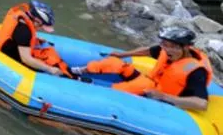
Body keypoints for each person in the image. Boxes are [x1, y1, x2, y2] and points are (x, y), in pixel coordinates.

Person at [72, 27, 212, 111]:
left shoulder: (196, 71)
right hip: (151, 81)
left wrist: (164, 97)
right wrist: (122, 55)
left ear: (186, 47)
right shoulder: (165, 50)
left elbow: (201, 104)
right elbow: (147, 51)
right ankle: (77, 71)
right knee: (115, 63)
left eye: (172, 46)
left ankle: (91, 91)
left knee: (123, 90)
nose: (167, 49)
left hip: (160, 94)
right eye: (165, 44)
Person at [0, 0, 78, 78]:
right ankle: (69, 77)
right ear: (37, 20)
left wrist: (35, 40)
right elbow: (26, 59)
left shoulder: (21, 15)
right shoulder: (24, 32)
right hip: (11, 56)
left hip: (12, 46)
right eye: (42, 26)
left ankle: (70, 72)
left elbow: (17, 37)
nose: (41, 28)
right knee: (47, 66)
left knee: (50, 54)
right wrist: (49, 69)